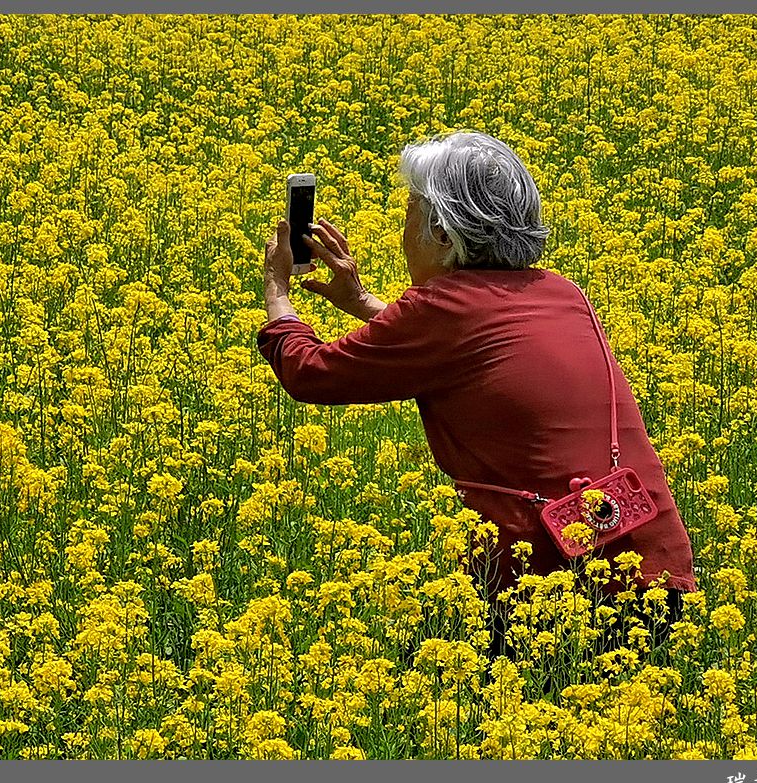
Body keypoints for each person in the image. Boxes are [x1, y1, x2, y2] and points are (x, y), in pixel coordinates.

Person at [257, 129, 698, 662]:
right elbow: (477, 343)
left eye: (411, 211)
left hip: (555, 587)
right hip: (650, 568)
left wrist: (278, 295)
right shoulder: (562, 292)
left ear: (442, 235)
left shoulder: (441, 312)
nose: (404, 227)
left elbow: (311, 373)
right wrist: (366, 303)